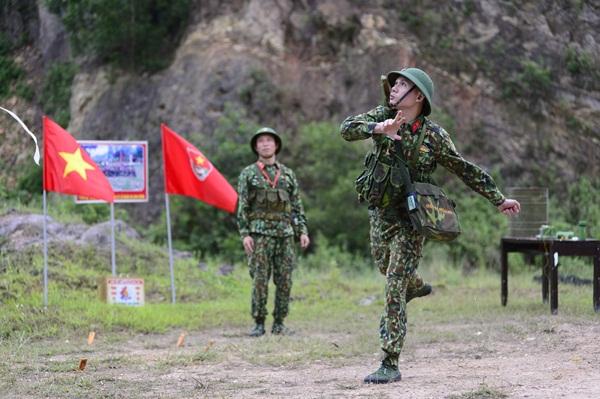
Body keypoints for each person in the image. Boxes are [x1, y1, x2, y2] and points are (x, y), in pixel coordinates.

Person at [340, 67, 520, 384]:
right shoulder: (383, 115)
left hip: (412, 220)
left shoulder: (433, 136)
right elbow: (346, 128)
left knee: (393, 285)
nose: (394, 88)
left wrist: (497, 198)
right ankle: (415, 284)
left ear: (419, 95)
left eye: (402, 84)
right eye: (393, 84)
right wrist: (378, 128)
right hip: (380, 215)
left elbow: (465, 169)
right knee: (386, 267)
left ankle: (389, 362)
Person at [237, 127, 310, 337]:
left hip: (285, 235)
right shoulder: (248, 174)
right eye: (261, 141)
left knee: (285, 280)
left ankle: (279, 323)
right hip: (259, 235)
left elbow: (297, 206)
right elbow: (242, 206)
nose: (265, 144)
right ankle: (259, 323)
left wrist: (302, 231)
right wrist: (245, 234)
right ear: (256, 147)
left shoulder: (287, 174)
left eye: (269, 140)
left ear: (276, 145)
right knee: (260, 279)